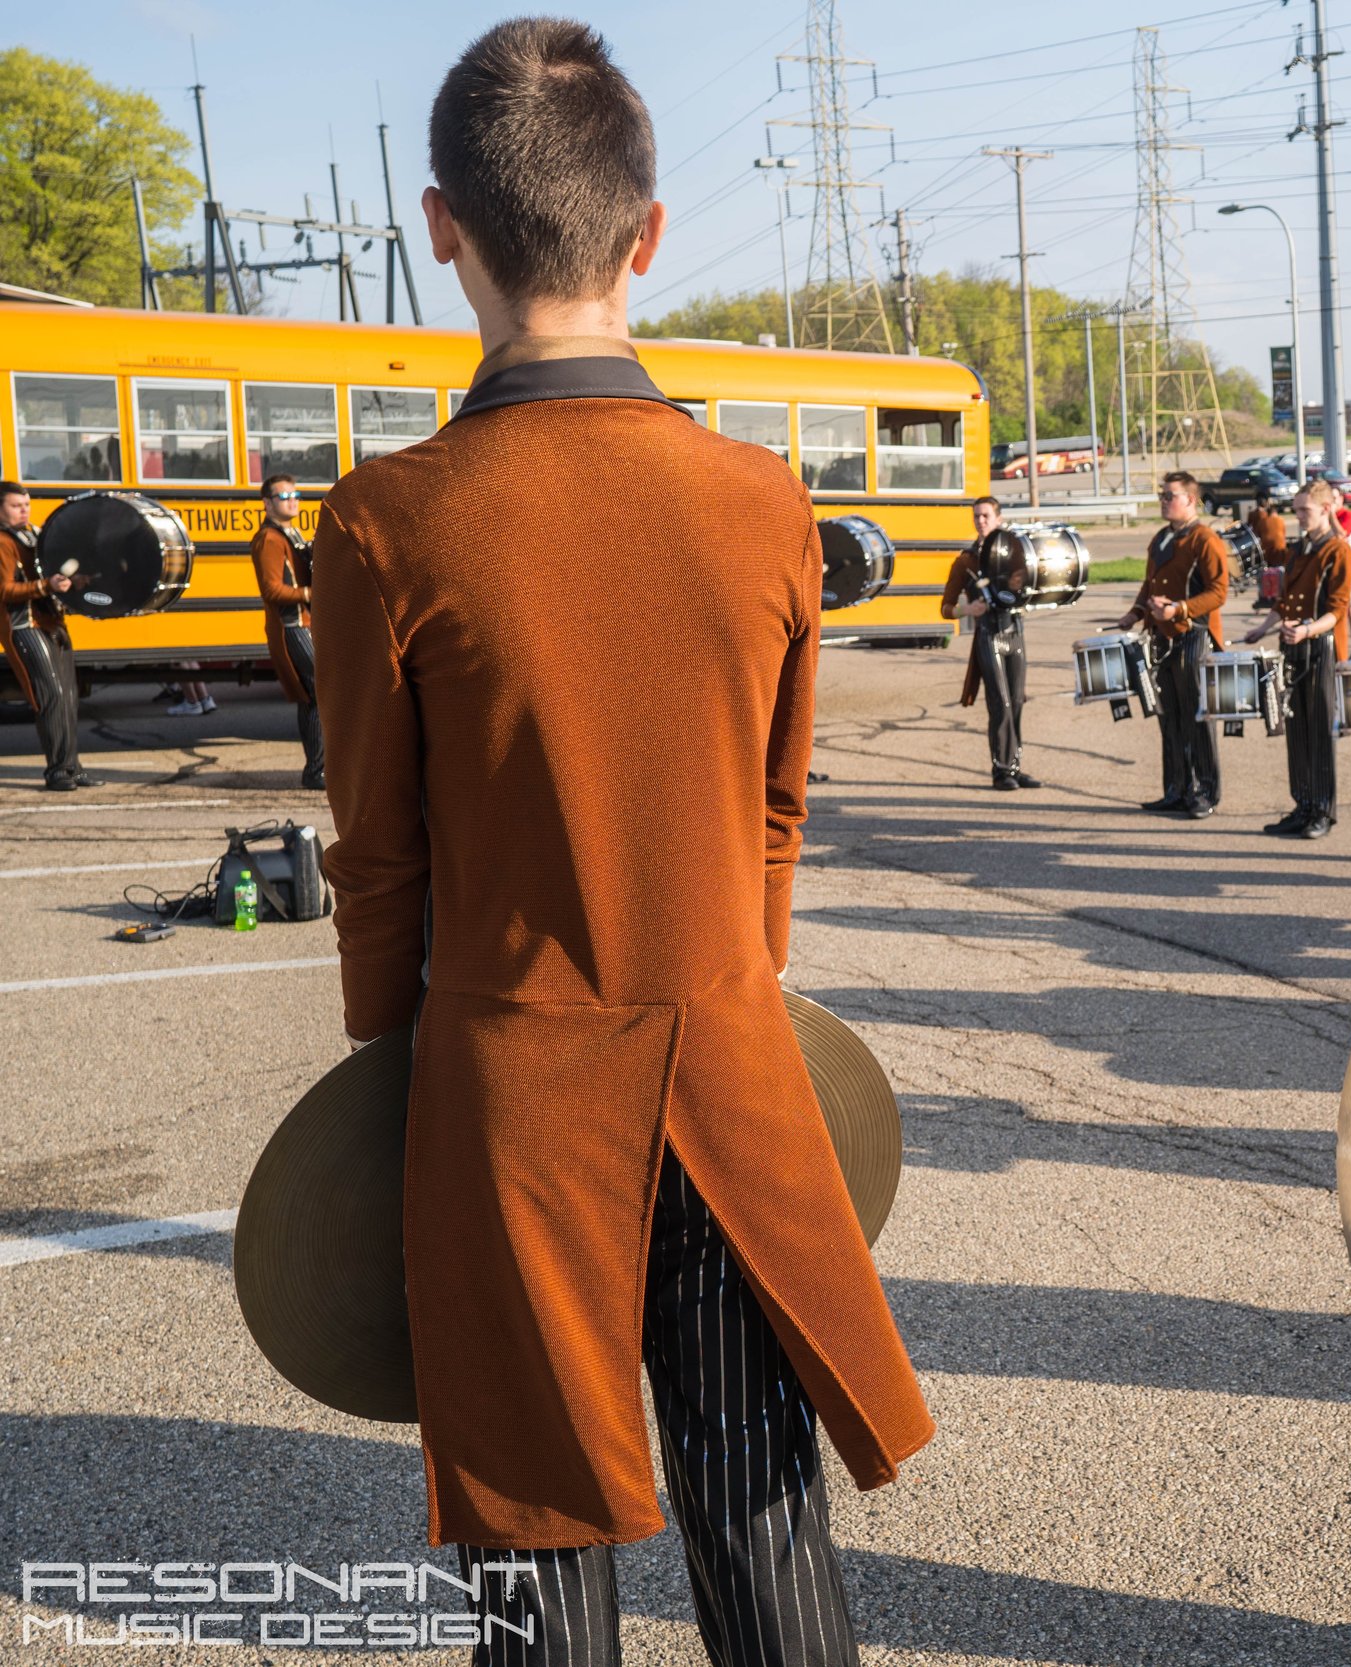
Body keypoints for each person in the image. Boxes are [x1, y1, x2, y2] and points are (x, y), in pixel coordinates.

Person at [315, 22, 931, 1659]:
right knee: (761, 1510)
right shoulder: (765, 499)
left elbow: (377, 855)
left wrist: (389, 1065)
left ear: (442, 226)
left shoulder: (386, 520)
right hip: (729, 1067)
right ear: (649, 233)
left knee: (533, 1541)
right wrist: (732, 973)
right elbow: (777, 807)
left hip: (509, 1095)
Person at [1115, 470, 1230, 818]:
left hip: (1194, 635)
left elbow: (1218, 592)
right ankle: (1176, 789)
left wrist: (1178, 609)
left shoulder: (1205, 539)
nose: (1163, 501)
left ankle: (1206, 792)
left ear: (1190, 500)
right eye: (1162, 496)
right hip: (1162, 639)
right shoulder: (1162, 538)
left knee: (1197, 717)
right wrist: (1135, 613)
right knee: (1169, 718)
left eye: (1169, 496)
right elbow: (1149, 585)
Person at [1243, 478, 1351, 839]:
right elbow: (1285, 602)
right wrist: (1263, 628)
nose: (1299, 516)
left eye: (1305, 510)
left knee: (1319, 732)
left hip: (1319, 648)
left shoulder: (1337, 550)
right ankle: (1302, 805)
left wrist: (1307, 630)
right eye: (1297, 509)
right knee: (1296, 731)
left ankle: (1323, 810)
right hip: (1293, 647)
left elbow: (1337, 610)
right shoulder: (1300, 548)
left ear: (1325, 509)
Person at [942, 495, 1040, 790]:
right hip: (988, 635)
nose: (980, 521)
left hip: (1015, 630)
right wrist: (967, 610)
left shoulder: (1014, 552)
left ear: (999, 519)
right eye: (976, 517)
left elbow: (1026, 588)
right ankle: (1001, 770)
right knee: (1001, 702)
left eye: (986, 516)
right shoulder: (966, 560)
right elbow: (945, 608)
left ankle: (1015, 765)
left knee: (1018, 700)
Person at [2, 482, 85, 791]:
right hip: (24, 627)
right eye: (15, 505)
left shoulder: (33, 535)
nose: (24, 509)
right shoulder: (3, 542)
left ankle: (73, 767)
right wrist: (47, 586)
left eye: (26, 504)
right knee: (51, 696)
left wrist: (72, 581)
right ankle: (58, 771)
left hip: (51, 622)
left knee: (69, 697)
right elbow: (4, 590)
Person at [249, 475, 323, 790]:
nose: (292, 500)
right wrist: (310, 594)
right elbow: (272, 590)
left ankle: (317, 769)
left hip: (303, 624)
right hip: (290, 627)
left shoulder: (289, 533)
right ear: (267, 503)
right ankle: (317, 770)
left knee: (312, 697)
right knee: (320, 692)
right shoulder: (270, 539)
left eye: (296, 494)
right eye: (284, 496)